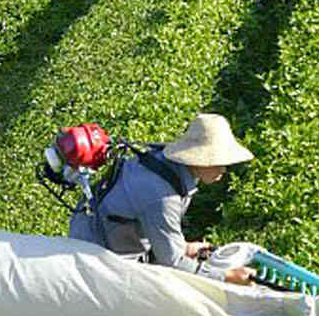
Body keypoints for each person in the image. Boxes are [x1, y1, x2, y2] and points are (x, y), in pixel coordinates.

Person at [71, 113, 256, 285]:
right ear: (199, 159)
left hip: (110, 232)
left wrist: (184, 247)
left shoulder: (164, 161)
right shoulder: (162, 195)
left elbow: (156, 227)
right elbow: (172, 263)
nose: (223, 170)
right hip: (96, 250)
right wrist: (227, 276)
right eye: (219, 162)